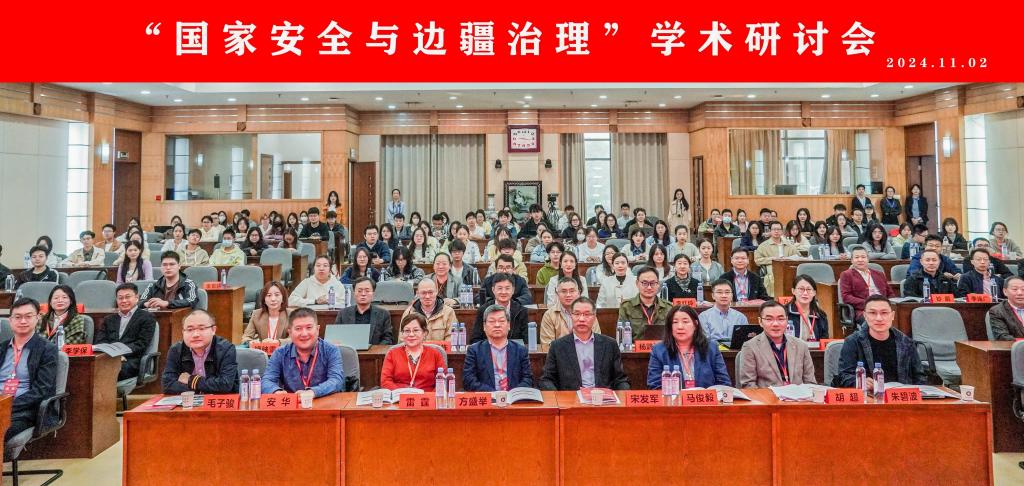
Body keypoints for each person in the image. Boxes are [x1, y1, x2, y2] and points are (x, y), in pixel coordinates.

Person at [539, 297, 629, 391]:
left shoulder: (610, 345)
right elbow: (546, 379)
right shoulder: (557, 346)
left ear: (594, 317)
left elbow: (621, 380)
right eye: (577, 314)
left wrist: (623, 394)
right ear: (571, 316)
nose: (581, 319)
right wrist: (559, 396)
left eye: (587, 314)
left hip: (602, 397)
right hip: (571, 398)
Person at [835, 295, 925, 387]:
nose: (879, 318)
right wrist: (859, 381)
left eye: (884, 313)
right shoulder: (852, 342)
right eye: (872, 313)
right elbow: (843, 376)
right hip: (868, 394)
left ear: (892, 315)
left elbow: (920, 378)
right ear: (865, 316)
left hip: (900, 394)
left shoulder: (906, 342)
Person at [2, 298, 59, 443]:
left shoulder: (47, 350)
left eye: (28, 316)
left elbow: (41, 390)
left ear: (37, 318)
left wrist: (6, 406)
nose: (23, 321)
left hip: (24, 411)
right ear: (10, 320)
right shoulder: (2, 348)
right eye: (18, 317)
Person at [262, 307, 345, 397]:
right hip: (293, 404)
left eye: (309, 328)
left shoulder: (331, 350)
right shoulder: (280, 353)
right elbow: (266, 381)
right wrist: (276, 391)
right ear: (290, 333)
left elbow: (336, 381)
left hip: (324, 402)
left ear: (317, 329)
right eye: (298, 329)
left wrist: (313, 392)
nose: (304, 334)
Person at [648, 305, 730, 389]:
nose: (680, 327)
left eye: (685, 322)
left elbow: (724, 383)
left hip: (704, 397)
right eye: (675, 322)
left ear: (695, 324)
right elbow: (654, 386)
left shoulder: (711, 348)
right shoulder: (659, 351)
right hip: (673, 397)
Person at [739, 300, 816, 388]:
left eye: (780, 319)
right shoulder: (750, 347)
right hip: (767, 396)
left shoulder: (801, 346)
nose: (775, 324)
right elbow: (748, 385)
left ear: (787, 320)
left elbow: (810, 382)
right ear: (760, 322)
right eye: (769, 319)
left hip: (798, 396)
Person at [161, 310, 238, 394]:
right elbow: (167, 385)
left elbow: (225, 385)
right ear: (183, 332)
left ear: (213, 330)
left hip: (218, 400)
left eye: (201, 329)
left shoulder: (226, 349)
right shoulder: (176, 350)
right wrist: (203, 388)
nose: (195, 335)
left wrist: (190, 380)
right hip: (188, 400)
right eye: (190, 329)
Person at [463, 304, 534, 391]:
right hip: (488, 397)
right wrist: (494, 394)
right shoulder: (474, 350)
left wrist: (513, 393)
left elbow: (528, 379)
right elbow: (468, 381)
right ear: (484, 326)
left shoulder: (520, 350)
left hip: (513, 397)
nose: (497, 325)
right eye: (492, 321)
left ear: (509, 325)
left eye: (501, 321)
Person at [381, 313, 446, 391]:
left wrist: (429, 396)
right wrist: (401, 394)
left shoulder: (435, 354)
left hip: (426, 397)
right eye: (407, 331)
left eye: (416, 330)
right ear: (402, 334)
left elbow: (443, 382)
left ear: (424, 333)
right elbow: (385, 382)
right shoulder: (392, 353)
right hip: (399, 396)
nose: (411, 334)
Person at [838, 246, 896, 321]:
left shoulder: (879, 274)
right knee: (874, 318)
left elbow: (890, 294)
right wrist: (869, 304)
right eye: (857, 257)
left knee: (898, 315)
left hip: (883, 307)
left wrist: (886, 304)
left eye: (863, 257)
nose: (860, 260)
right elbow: (846, 297)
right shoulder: (846, 275)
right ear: (851, 260)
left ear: (868, 259)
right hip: (862, 309)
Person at [334, 277, 394, 345]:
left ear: (373, 294)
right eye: (359, 291)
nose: (363, 294)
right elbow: (336, 337)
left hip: (374, 350)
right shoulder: (343, 313)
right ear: (354, 293)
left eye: (367, 291)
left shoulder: (383, 314)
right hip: (350, 350)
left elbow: (388, 339)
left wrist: (375, 349)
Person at [471, 273, 528, 344]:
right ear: (493, 290)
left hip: (514, 349)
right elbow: (475, 339)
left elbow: (527, 340)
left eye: (507, 288)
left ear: (513, 290)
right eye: (500, 288)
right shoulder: (483, 310)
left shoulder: (521, 311)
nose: (503, 292)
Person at [618, 266, 672, 340]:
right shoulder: (626, 306)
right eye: (644, 283)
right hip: (635, 347)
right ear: (637, 283)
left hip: (661, 347)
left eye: (652, 283)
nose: (649, 287)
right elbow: (622, 337)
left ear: (658, 284)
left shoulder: (669, 307)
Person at [540, 277, 595, 345]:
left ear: (578, 293)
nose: (568, 295)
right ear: (557, 294)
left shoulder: (589, 313)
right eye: (564, 291)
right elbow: (547, 345)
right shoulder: (549, 315)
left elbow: (596, 342)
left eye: (572, 291)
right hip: (559, 352)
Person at [754, 221, 801, 294]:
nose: (776, 231)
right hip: (772, 267)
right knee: (772, 277)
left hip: (788, 268)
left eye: (778, 229)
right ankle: (773, 296)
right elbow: (757, 260)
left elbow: (799, 257)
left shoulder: (789, 244)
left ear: (782, 231)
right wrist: (772, 259)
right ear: (770, 231)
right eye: (774, 229)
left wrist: (789, 259)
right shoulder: (763, 245)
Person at [786, 275, 830, 342]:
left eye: (809, 289)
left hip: (815, 348)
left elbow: (824, 340)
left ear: (814, 293)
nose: (805, 293)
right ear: (793, 291)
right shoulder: (784, 312)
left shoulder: (820, 315)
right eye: (801, 289)